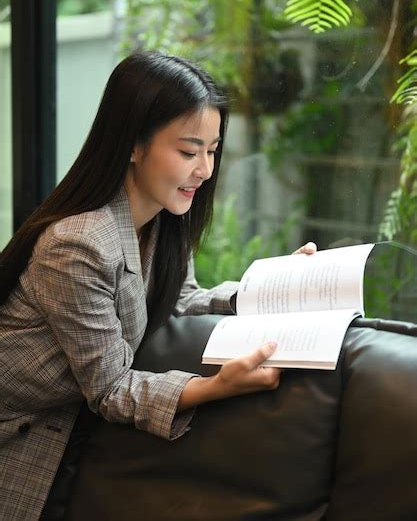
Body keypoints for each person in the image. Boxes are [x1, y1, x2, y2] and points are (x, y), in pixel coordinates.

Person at [0, 50, 316, 521]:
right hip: (19, 434)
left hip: (71, 426)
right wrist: (212, 388)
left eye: (212, 151)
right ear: (132, 143)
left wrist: (268, 289)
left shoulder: (162, 219)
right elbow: (109, 389)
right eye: (189, 152)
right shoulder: (78, 246)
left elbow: (180, 298)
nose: (205, 170)